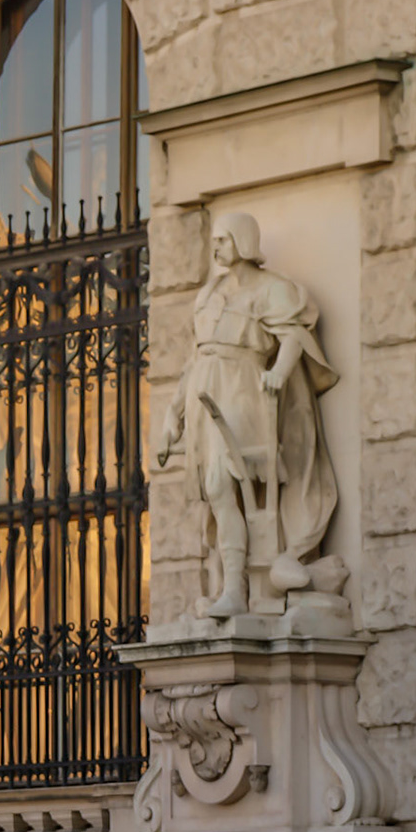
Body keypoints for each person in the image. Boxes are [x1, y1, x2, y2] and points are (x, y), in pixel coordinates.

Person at [155, 212, 338, 618]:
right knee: (218, 492)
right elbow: (194, 359)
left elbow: (293, 336)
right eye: (216, 240)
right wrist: (174, 417)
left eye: (222, 240)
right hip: (206, 396)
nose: (216, 247)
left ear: (242, 242)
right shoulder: (208, 294)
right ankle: (233, 587)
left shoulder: (271, 289)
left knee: (225, 481)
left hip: (243, 393)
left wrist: (278, 372)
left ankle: (238, 589)